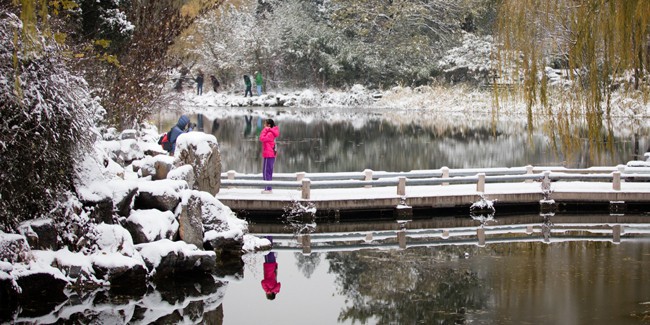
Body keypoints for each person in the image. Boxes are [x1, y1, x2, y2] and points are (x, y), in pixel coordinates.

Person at [259, 119, 279, 193]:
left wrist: (265, 130)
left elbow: (262, 138)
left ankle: (268, 188)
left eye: (265, 124)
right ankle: (267, 188)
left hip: (269, 154)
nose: (264, 126)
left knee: (266, 171)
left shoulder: (270, 133)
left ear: (269, 125)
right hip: (269, 154)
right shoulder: (271, 132)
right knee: (267, 171)